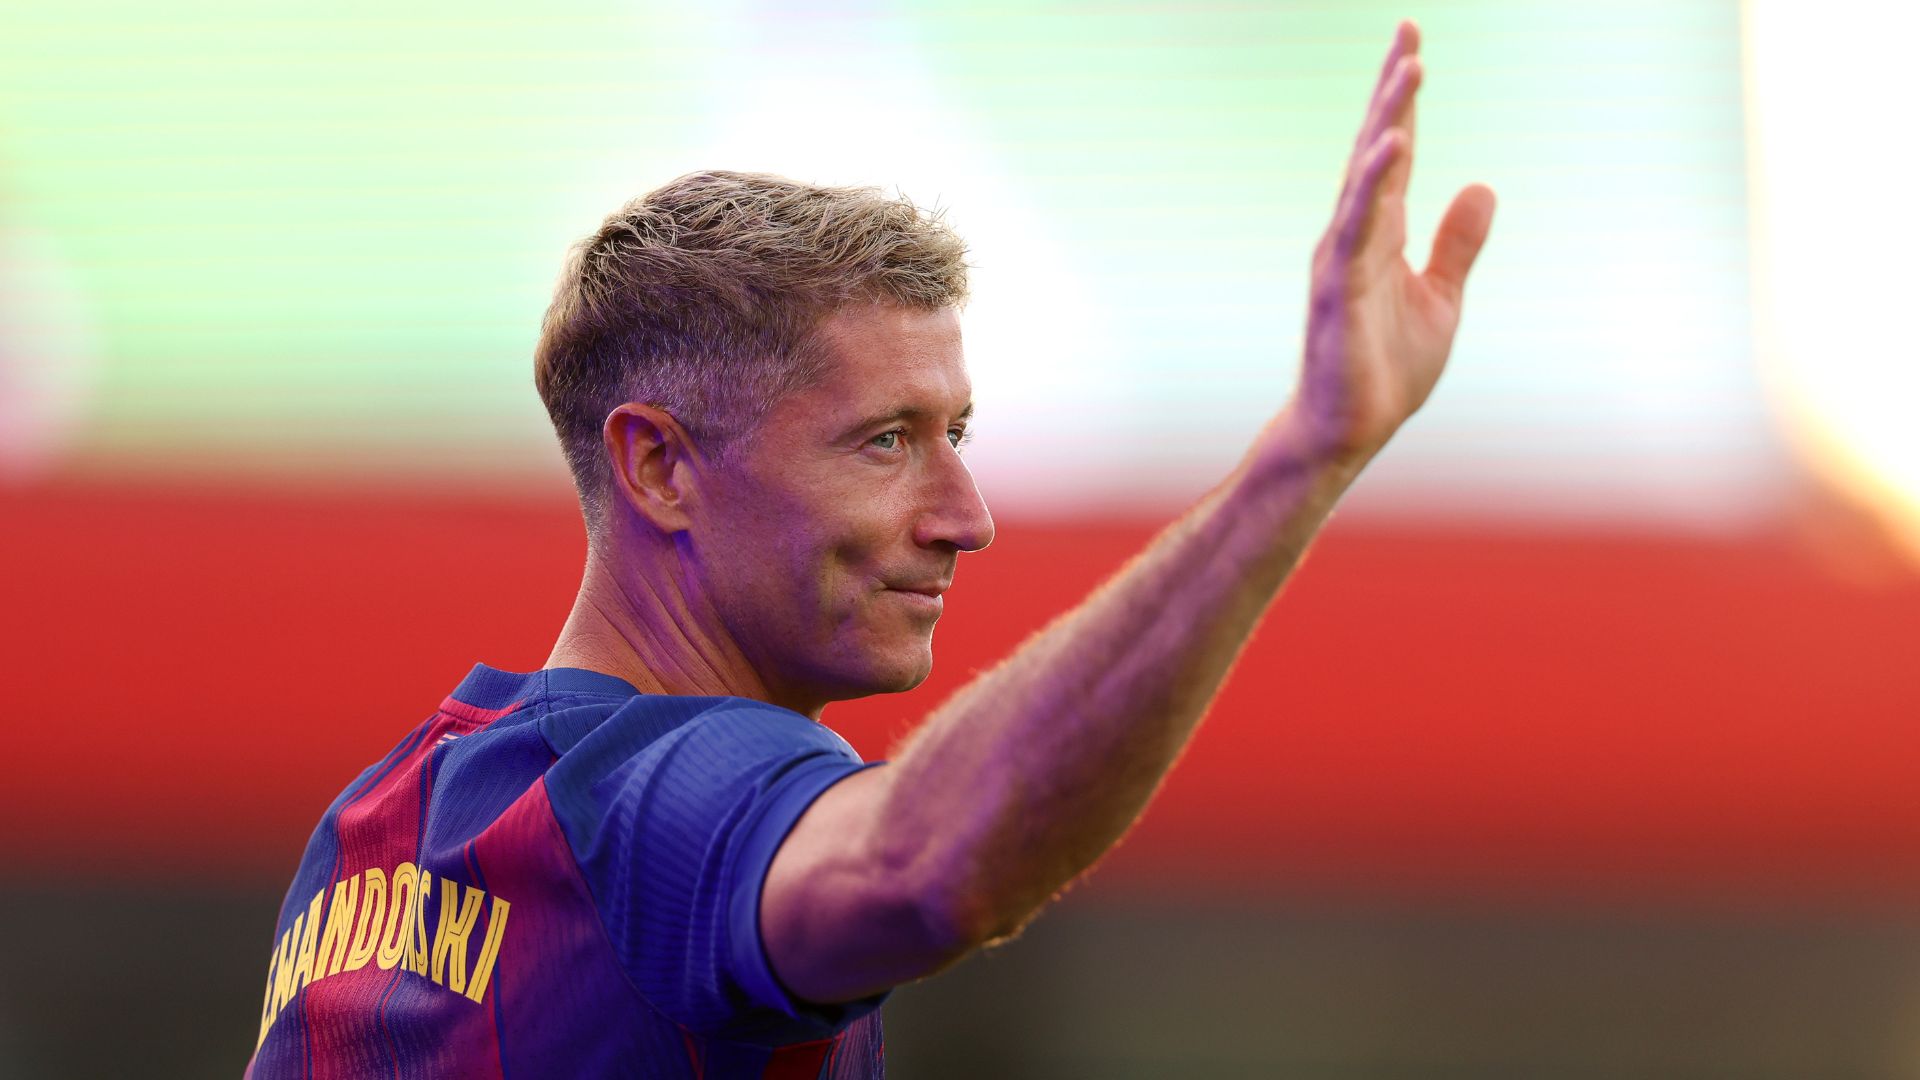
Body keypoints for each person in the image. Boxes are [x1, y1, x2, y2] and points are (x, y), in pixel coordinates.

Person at [244, 20, 1493, 1078]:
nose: (967, 514)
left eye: (957, 431)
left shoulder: (375, 828)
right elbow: (924, 862)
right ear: (659, 467)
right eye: (887, 441)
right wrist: (1302, 460)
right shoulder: (667, 798)